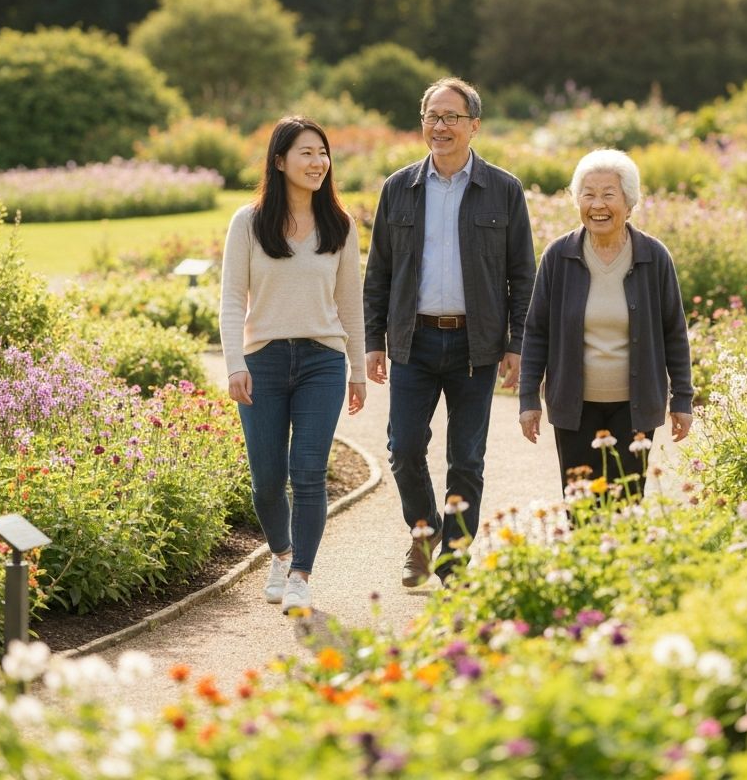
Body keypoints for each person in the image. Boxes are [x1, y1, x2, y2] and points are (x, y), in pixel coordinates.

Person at [364, 77, 536, 586]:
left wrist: (516, 344)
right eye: (432, 117)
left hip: (475, 346)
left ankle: (455, 558)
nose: (440, 126)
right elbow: (378, 272)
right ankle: (424, 531)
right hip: (413, 342)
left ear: (474, 126)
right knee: (404, 446)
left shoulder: (504, 190)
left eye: (451, 117)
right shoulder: (398, 188)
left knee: (467, 457)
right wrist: (374, 340)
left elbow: (522, 274)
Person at [220, 117, 366, 613]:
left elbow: (351, 305)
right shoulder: (248, 222)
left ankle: (301, 573)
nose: (318, 162)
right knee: (265, 479)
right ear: (279, 161)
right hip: (263, 361)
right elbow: (231, 300)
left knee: (307, 472)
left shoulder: (340, 226)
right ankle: (280, 554)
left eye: (323, 153)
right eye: (306, 153)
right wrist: (235, 362)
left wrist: (358, 370)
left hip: (321, 362)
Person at [518, 149, 693, 497]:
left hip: (636, 407)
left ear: (629, 203)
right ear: (577, 201)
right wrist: (528, 399)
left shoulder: (653, 257)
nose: (598, 204)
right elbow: (537, 331)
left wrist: (683, 400)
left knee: (625, 503)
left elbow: (674, 332)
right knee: (581, 505)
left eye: (608, 195)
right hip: (574, 407)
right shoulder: (558, 256)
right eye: (588, 194)